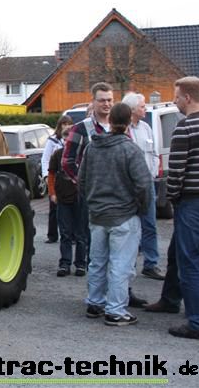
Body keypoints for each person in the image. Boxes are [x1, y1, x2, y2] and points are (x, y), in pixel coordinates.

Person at [79, 102, 153, 326]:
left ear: (109, 121)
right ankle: (115, 310)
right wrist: (141, 208)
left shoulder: (92, 147)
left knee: (97, 262)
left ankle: (95, 302)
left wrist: (91, 201)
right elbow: (144, 184)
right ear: (129, 121)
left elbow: (82, 180)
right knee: (121, 265)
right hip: (124, 214)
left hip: (97, 214)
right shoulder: (130, 149)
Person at [165, 76, 199, 341]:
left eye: (177, 97)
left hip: (192, 202)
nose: (175, 101)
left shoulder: (185, 127)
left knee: (189, 263)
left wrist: (172, 199)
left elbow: (176, 172)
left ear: (188, 98)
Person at [121, 92, 163, 280]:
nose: (145, 109)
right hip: (128, 188)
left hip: (147, 185)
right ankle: (128, 264)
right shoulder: (122, 130)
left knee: (150, 225)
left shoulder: (146, 127)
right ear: (132, 110)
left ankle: (151, 263)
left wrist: (152, 174)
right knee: (129, 227)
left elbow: (153, 153)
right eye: (142, 106)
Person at [48, 127, 86, 276]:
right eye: (65, 139)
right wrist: (52, 193)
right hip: (63, 198)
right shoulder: (57, 155)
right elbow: (51, 174)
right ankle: (65, 263)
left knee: (81, 234)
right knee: (65, 233)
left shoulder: (83, 154)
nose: (67, 142)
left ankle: (81, 264)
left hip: (80, 198)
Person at [41, 115, 74, 243]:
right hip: (56, 176)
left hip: (69, 178)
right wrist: (45, 175)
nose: (66, 126)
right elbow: (45, 159)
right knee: (54, 208)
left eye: (68, 124)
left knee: (71, 208)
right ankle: (52, 235)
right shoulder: (52, 140)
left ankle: (71, 235)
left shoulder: (73, 139)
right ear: (59, 126)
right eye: (63, 124)